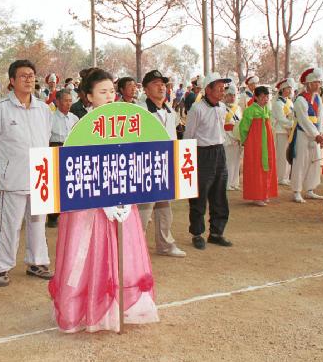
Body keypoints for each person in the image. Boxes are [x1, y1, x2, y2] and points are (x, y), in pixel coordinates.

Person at [48, 68, 158, 332]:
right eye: (102, 92)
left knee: (123, 251)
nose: (109, 97)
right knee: (88, 253)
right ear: (88, 96)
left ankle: (119, 307)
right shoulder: (80, 125)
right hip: (89, 205)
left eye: (112, 91)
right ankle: (86, 309)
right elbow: (74, 166)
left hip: (121, 198)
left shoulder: (126, 121)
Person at [0, 60, 53, 286]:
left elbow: (46, 137)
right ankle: (1, 266)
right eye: (23, 76)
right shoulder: (0, 109)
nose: (29, 79)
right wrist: (4, 162)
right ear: (12, 81)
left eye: (32, 75)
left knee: (38, 223)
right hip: (13, 178)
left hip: (41, 176)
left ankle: (37, 262)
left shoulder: (43, 109)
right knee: (9, 225)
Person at [137, 70, 186, 257]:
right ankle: (137, 247)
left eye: (163, 84)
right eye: (156, 83)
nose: (161, 87)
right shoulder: (140, 110)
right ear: (146, 89)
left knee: (165, 207)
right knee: (144, 209)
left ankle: (165, 244)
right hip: (147, 166)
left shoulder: (170, 111)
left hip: (166, 165)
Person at [184, 72, 234, 250]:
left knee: (219, 194)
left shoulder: (221, 107)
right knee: (199, 195)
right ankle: (197, 233)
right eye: (219, 88)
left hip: (219, 152)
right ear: (208, 89)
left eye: (223, 88)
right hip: (201, 153)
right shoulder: (197, 109)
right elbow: (189, 135)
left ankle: (216, 232)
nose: (222, 91)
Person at [289, 67, 323, 204]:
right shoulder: (300, 100)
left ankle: (310, 189)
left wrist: (320, 132)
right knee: (301, 161)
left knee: (315, 161)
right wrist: (316, 135)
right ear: (308, 84)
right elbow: (304, 120)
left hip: (315, 134)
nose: (318, 85)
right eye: (316, 82)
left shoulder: (318, 99)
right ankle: (297, 191)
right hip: (303, 134)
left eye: (319, 82)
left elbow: (320, 117)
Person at [239, 86, 278, 206]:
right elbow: (243, 128)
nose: (265, 99)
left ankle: (264, 193)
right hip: (255, 143)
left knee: (267, 165)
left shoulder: (266, 109)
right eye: (262, 97)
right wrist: (246, 141)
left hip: (266, 142)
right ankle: (256, 196)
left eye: (267, 97)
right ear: (255, 97)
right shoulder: (250, 110)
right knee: (256, 166)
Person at [47, 88, 79, 229]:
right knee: (55, 184)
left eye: (70, 100)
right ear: (57, 102)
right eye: (65, 100)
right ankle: (52, 216)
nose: (68, 103)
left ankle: (70, 215)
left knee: (70, 183)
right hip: (55, 148)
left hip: (71, 149)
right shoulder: (51, 118)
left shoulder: (74, 118)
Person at [271, 78, 295, 186]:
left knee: (287, 154)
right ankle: (280, 177)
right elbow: (281, 119)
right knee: (281, 155)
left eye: (290, 89)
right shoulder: (278, 103)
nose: (289, 91)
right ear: (282, 90)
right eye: (287, 89)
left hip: (289, 131)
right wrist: (292, 124)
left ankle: (286, 176)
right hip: (281, 131)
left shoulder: (289, 102)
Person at [222, 84, 243, 191]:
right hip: (228, 137)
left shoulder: (238, 108)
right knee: (228, 161)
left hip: (237, 137)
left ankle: (235, 182)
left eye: (234, 95)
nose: (232, 97)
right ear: (225, 95)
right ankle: (227, 183)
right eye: (230, 95)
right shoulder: (221, 107)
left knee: (236, 161)